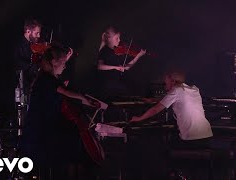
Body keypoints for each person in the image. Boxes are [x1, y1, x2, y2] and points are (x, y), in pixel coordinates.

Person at [19, 43, 98, 179]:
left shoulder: (48, 77)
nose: (65, 66)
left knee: (74, 137)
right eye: (62, 63)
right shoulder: (46, 79)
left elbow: (62, 90)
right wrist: (85, 99)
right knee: (74, 141)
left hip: (47, 126)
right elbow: (66, 92)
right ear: (54, 62)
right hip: (40, 132)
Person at [131, 70, 213, 148]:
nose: (165, 84)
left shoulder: (176, 90)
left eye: (166, 81)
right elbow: (177, 97)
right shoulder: (194, 89)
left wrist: (139, 118)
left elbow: (155, 109)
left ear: (173, 81)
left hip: (191, 138)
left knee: (161, 147)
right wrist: (154, 100)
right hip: (207, 135)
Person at [97, 26, 146, 99]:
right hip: (107, 87)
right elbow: (99, 66)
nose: (119, 40)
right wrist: (115, 67)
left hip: (116, 85)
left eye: (119, 38)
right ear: (109, 39)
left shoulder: (117, 51)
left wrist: (138, 56)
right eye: (117, 38)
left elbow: (126, 68)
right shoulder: (104, 50)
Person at [14, 18, 42, 95]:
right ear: (28, 31)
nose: (39, 36)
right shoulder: (19, 45)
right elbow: (18, 64)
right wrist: (34, 66)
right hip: (21, 86)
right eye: (37, 33)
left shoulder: (30, 45)